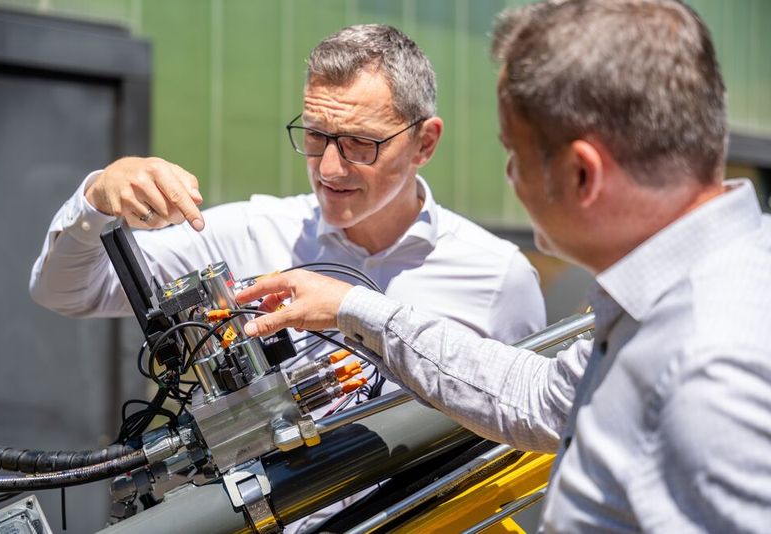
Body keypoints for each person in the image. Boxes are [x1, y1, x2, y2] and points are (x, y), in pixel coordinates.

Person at [236, 1, 771, 531]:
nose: (510, 176)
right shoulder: (701, 290)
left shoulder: (710, 370)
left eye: (513, 153)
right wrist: (354, 307)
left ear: (582, 174)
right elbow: (537, 395)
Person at [29, 24, 545, 531]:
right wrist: (95, 200)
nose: (330, 169)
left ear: (424, 143)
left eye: (361, 143)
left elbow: (519, 437)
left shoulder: (498, 278)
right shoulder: (248, 233)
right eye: (316, 136)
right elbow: (66, 290)